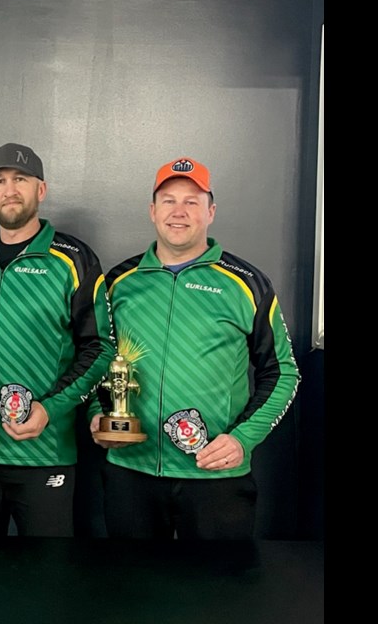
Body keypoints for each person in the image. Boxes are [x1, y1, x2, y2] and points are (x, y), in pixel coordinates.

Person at [90, 157, 300, 539]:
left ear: (211, 211)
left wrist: (241, 439)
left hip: (214, 475)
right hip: (130, 472)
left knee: (217, 595)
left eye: (192, 201)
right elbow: (94, 360)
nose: (179, 212)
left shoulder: (246, 283)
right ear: (153, 211)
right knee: (129, 592)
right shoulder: (118, 282)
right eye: (168, 200)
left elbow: (283, 372)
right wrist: (96, 415)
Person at [0, 143, 115, 536]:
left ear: (40, 190)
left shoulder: (74, 260)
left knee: (46, 582)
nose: (9, 189)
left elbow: (99, 348)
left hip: (44, 453)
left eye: (20, 180)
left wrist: (51, 409)